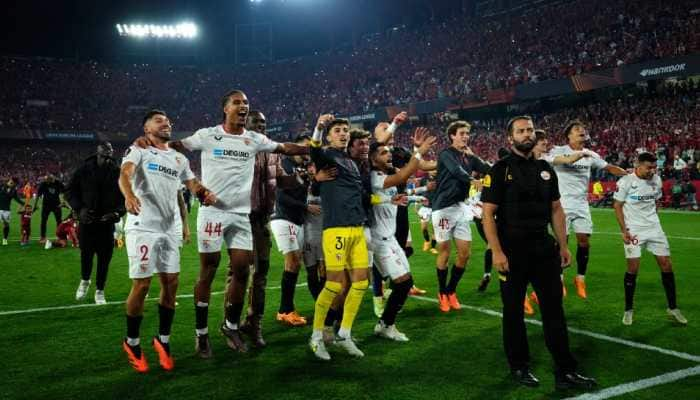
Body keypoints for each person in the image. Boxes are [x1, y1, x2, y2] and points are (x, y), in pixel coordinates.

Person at [144, 90, 308, 357]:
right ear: (225, 109)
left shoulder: (253, 139)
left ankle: (230, 325)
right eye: (237, 103)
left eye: (246, 103)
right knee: (208, 271)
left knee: (243, 270)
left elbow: (284, 147)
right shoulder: (208, 135)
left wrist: (311, 148)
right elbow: (178, 145)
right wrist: (150, 143)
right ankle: (201, 335)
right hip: (212, 214)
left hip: (241, 215)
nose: (243, 106)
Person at [481, 115, 596, 390]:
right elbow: (488, 215)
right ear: (511, 138)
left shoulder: (546, 169)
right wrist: (496, 252)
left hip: (544, 249)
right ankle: (519, 366)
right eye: (520, 131)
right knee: (513, 312)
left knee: (554, 309)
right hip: (512, 251)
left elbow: (556, 208)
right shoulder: (499, 170)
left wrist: (564, 244)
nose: (527, 134)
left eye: (530, 130)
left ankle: (565, 371)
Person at [119, 109, 216, 373]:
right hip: (143, 226)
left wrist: (202, 193)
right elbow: (125, 174)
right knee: (142, 284)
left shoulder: (177, 158)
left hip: (170, 228)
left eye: (168, 121)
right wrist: (129, 195)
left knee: (171, 283)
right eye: (159, 120)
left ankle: (163, 340)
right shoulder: (137, 150)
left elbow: (189, 185)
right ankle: (132, 341)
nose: (166, 123)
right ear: (146, 128)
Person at [308, 115, 370, 360]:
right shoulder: (326, 156)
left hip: (356, 228)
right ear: (330, 135)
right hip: (336, 229)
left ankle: (344, 334)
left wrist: (387, 199)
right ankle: (315, 337)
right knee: (334, 285)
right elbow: (314, 150)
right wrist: (319, 128)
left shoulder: (351, 162)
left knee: (361, 283)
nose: (343, 134)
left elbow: (362, 196)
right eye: (338, 130)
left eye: (345, 130)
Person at [542, 120, 627, 299]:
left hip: (581, 204)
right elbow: (544, 162)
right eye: (577, 129)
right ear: (569, 136)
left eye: (583, 129)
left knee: (584, 242)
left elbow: (608, 167)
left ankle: (580, 278)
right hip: (562, 204)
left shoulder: (590, 154)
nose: (582, 131)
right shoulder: (558, 151)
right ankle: (559, 279)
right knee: (560, 243)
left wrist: (629, 174)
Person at [369, 131, 435, 341]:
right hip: (379, 239)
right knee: (402, 283)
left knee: (406, 282)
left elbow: (398, 185)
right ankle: (383, 322)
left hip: (390, 238)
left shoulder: (384, 177)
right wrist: (419, 152)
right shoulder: (375, 177)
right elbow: (402, 176)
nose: (388, 155)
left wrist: (400, 198)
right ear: (373, 159)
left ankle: (384, 322)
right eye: (382, 153)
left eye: (388, 152)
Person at [612, 152, 687, 326]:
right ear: (638, 165)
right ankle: (628, 310)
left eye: (654, 167)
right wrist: (624, 231)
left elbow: (656, 202)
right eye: (649, 167)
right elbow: (617, 206)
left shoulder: (656, 180)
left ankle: (673, 308)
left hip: (654, 229)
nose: (652, 171)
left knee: (667, 265)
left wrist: (654, 221)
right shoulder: (626, 182)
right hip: (634, 230)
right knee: (633, 268)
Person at [431, 120, 489, 312]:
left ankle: (451, 291)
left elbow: (487, 168)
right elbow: (457, 172)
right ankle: (442, 293)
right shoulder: (445, 154)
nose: (465, 136)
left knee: (464, 254)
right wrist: (473, 180)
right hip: (443, 209)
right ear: (452, 136)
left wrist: (476, 156)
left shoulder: (469, 156)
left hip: (461, 207)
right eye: (462, 133)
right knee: (445, 252)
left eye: (467, 133)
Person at [66, 141, 125, 305]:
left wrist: (117, 213)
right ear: (97, 151)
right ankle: (85, 281)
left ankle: (100, 290)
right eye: (105, 148)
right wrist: (79, 209)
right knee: (86, 256)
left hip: (106, 223)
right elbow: (70, 191)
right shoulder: (84, 170)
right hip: (87, 221)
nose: (108, 151)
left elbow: (126, 196)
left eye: (110, 149)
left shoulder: (117, 172)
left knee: (104, 259)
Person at [270, 134, 319, 326]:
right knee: (292, 262)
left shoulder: (305, 166)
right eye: (304, 147)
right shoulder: (285, 165)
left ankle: (286, 309)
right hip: (283, 218)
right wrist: (306, 207)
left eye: (309, 148)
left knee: (295, 263)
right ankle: (285, 310)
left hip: (297, 221)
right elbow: (280, 197)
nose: (306, 151)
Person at [33, 174, 65, 244]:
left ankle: (60, 237)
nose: (47, 181)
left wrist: (63, 201)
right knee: (43, 221)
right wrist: (35, 205)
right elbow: (38, 195)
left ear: (52, 179)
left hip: (57, 205)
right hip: (46, 205)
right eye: (46, 180)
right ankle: (42, 237)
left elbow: (65, 191)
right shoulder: (43, 184)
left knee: (59, 221)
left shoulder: (58, 183)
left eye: (49, 180)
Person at [1, 178, 25, 245]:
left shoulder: (13, 190)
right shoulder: (1, 186)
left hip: (6, 210)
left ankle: (5, 239)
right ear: (8, 181)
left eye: (13, 183)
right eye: (10, 182)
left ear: (15, 184)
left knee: (6, 225)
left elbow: (17, 199)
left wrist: (24, 204)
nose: (11, 183)